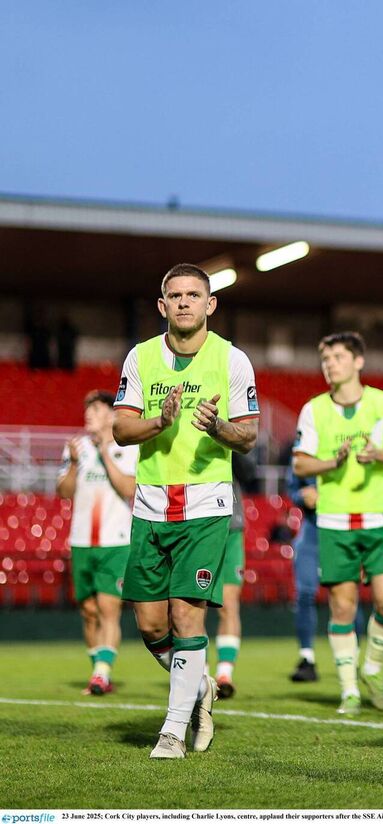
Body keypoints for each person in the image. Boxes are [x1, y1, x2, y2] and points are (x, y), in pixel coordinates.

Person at [112, 263, 259, 758]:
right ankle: (199, 687)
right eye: (174, 295)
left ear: (210, 304)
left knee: (185, 615)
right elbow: (120, 429)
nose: (183, 302)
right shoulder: (140, 357)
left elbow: (250, 435)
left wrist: (217, 427)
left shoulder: (233, 360)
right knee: (151, 624)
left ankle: (173, 731)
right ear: (162, 305)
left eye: (193, 295)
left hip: (205, 506)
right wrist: (161, 420)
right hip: (151, 505)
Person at [292, 332, 383, 716]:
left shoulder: (382, 403)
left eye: (339, 357)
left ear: (358, 361)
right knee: (342, 609)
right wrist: (333, 463)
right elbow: (300, 464)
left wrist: (377, 454)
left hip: (380, 519)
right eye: (326, 359)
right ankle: (349, 692)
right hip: (334, 521)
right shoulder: (313, 410)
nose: (331, 364)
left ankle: (371, 669)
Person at [56, 390, 137, 695]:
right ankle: (98, 673)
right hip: (81, 542)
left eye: (96, 409)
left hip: (115, 541)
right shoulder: (75, 448)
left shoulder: (127, 448)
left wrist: (105, 451)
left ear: (112, 415)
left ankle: (102, 674)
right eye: (87, 410)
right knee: (88, 610)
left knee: (108, 608)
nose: (89, 414)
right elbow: (64, 491)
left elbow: (128, 487)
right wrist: (75, 465)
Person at [211, 451, 257, 698]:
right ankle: (199, 675)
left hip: (231, 526)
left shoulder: (232, 425)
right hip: (196, 525)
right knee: (190, 604)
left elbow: (249, 472)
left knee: (228, 604)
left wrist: (225, 434)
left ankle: (224, 674)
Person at [286, 466, 320, 682]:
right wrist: (301, 496)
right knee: (305, 595)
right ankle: (306, 657)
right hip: (313, 529)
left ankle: (352, 657)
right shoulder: (310, 436)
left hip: (343, 528)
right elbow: (293, 485)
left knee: (347, 594)